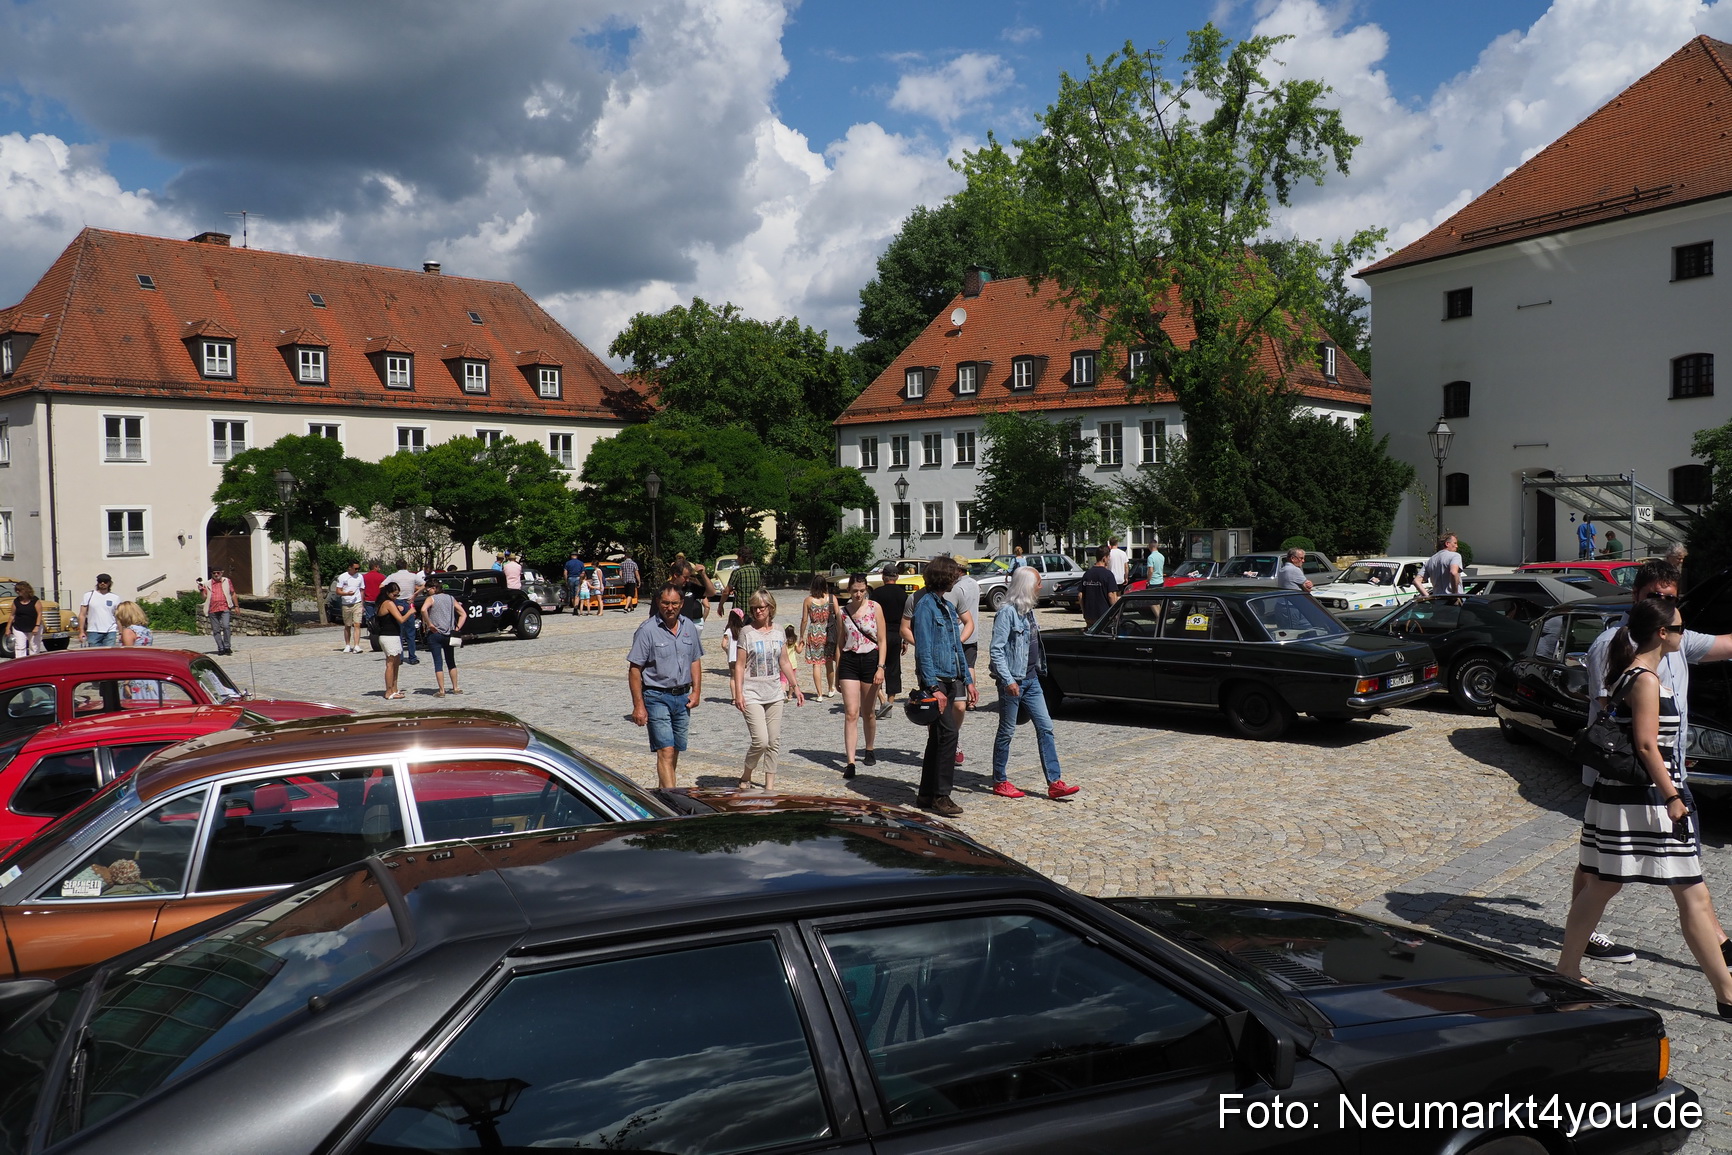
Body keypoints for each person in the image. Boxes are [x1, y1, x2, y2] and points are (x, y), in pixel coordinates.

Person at [1558, 598, 1732, 1016]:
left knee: (1605, 883)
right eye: (1679, 628)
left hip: (1625, 795)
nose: (1682, 633)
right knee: (1685, 888)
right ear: (1661, 634)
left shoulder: (1634, 673)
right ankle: (1727, 994)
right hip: (1647, 797)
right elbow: (1646, 745)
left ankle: (1565, 969)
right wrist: (1673, 796)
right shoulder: (1645, 680)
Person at [989, 566, 1080, 800]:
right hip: (1013, 681)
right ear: (1027, 586)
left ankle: (1055, 782)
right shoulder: (1006, 613)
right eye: (1038, 582)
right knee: (1007, 731)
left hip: (1032, 680)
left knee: (1046, 727)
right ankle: (1000, 780)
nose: (1041, 586)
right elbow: (996, 651)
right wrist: (1008, 680)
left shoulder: (1028, 611)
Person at [911, 556, 975, 817]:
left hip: (950, 679)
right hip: (935, 681)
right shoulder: (925, 606)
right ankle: (941, 796)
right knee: (949, 735)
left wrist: (968, 682)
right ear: (943, 577)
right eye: (953, 575)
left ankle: (926, 794)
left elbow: (956, 647)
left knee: (937, 739)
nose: (957, 578)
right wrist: (933, 687)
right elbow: (923, 651)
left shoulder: (947, 607)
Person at [628, 582, 704, 788]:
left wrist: (696, 691)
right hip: (656, 696)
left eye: (674, 603)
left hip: (683, 698)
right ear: (658, 602)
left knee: (675, 749)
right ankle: (673, 800)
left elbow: (695, 659)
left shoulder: (689, 626)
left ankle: (665, 793)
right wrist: (638, 705)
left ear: (681, 604)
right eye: (665, 603)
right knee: (666, 750)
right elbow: (635, 670)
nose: (670, 608)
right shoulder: (647, 630)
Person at [731, 590, 804, 792]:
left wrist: (795, 686)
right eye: (754, 608)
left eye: (761, 607)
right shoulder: (747, 632)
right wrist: (738, 693)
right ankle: (747, 773)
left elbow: (784, 661)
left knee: (773, 741)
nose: (757, 611)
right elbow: (739, 665)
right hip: (751, 693)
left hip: (774, 693)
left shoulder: (779, 630)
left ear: (770, 608)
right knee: (761, 741)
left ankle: (769, 785)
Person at [835, 573, 885, 779]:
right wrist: (837, 671)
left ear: (866, 590)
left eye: (861, 590)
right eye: (854, 590)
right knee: (851, 713)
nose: (858, 594)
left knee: (868, 712)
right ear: (849, 590)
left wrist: (881, 667)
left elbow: (882, 640)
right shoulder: (842, 611)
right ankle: (850, 762)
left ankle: (870, 748)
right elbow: (840, 641)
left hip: (871, 660)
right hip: (849, 661)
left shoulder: (875, 608)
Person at [871, 562, 909, 719]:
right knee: (893, 669)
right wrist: (905, 641)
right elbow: (907, 619)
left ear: (883, 577)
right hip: (897, 634)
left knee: (876, 668)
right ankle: (889, 704)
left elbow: (871, 616)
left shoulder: (877, 593)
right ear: (897, 577)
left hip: (879, 634)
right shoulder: (904, 595)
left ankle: (882, 700)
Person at [421, 579, 468, 697]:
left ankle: (441, 690)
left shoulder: (431, 599)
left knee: (438, 662)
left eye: (428, 588)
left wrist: (429, 624)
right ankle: (455, 687)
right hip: (449, 634)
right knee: (451, 661)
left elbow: (423, 610)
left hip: (435, 633)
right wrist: (457, 628)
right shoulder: (451, 598)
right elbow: (463, 614)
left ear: (434, 588)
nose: (427, 591)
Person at [799, 575, 838, 700]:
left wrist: (801, 636)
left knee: (816, 664)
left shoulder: (808, 600)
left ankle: (819, 694)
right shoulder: (831, 598)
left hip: (814, 632)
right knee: (828, 662)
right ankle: (831, 688)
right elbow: (838, 616)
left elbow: (804, 620)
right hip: (828, 632)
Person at [376, 583, 411, 700]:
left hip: (392, 635)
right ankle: (388, 691)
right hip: (388, 636)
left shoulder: (389, 603)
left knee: (396, 663)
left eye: (397, 595)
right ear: (388, 593)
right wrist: (410, 612)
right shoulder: (388, 603)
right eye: (394, 594)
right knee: (390, 664)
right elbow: (401, 619)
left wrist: (399, 608)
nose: (396, 597)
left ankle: (394, 688)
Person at [1078, 546, 1119, 627]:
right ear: (1104, 558)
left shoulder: (1087, 574)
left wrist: (1084, 613)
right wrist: (1116, 612)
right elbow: (1111, 595)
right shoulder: (1108, 575)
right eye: (1109, 557)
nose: (1109, 559)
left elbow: (1080, 595)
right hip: (1104, 616)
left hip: (1089, 616)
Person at [80, 574, 121, 648]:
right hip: (93, 631)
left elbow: (118, 616)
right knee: (95, 655)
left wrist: (121, 632)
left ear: (109, 583)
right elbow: (82, 614)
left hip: (110, 631)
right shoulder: (88, 595)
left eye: (105, 581)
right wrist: (81, 631)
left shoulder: (115, 598)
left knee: (108, 655)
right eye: (100, 581)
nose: (102, 583)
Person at [334, 561, 366, 653]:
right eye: (355, 568)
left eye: (358, 568)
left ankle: (356, 645)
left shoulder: (360, 577)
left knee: (357, 624)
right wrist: (347, 593)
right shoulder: (343, 577)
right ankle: (347, 644)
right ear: (350, 568)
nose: (357, 570)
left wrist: (362, 604)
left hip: (357, 603)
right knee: (347, 625)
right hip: (346, 603)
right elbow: (338, 591)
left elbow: (362, 590)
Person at [6, 580, 42, 658]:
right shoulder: (16, 601)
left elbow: (39, 614)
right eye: (16, 590)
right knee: (20, 647)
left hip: (33, 627)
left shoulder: (35, 600)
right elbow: (12, 615)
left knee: (34, 647)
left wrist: (37, 626)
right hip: (19, 627)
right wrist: (7, 628)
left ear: (25, 590)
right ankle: (20, 665)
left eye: (19, 590)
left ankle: (34, 664)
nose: (18, 592)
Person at [723, 547, 764, 612]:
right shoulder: (757, 571)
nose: (737, 559)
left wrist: (721, 605)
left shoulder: (738, 572)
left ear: (741, 558)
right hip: (754, 609)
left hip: (740, 610)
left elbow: (726, 591)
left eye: (738, 557)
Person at [361, 561, 385, 631]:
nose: (379, 568)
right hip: (379, 599)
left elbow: (362, 588)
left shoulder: (364, 577)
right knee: (380, 615)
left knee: (370, 617)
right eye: (378, 566)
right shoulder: (381, 576)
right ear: (375, 567)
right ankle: (379, 630)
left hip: (368, 599)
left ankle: (372, 631)